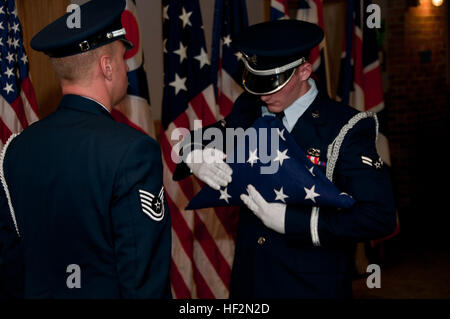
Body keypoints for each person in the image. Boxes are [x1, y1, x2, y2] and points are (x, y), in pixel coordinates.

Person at [174, 20, 396, 298]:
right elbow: (192, 140)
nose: (263, 94)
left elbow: (379, 217)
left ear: (304, 71)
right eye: (257, 82)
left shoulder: (345, 126)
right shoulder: (251, 107)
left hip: (309, 287)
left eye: (273, 83)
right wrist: (194, 154)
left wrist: (295, 222)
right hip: (251, 283)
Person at [0, 0, 171, 299]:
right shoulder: (134, 151)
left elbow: (11, 265)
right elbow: (143, 280)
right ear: (107, 66)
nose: (124, 67)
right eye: (121, 57)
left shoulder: (16, 149)